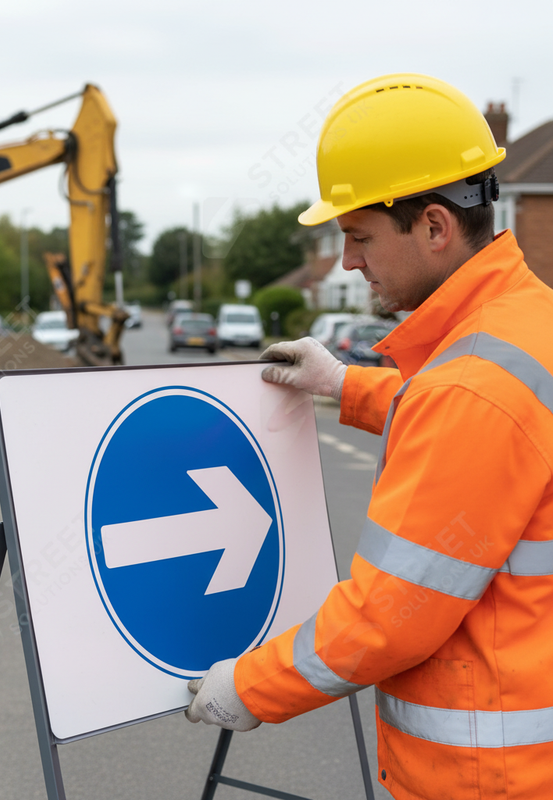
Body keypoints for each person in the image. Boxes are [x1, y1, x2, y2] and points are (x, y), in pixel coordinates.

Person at [185, 73, 553, 800]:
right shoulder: (526, 325)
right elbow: (488, 430)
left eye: (359, 237)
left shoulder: (468, 388)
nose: (349, 261)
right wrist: (346, 384)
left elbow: (390, 617)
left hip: (488, 779)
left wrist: (251, 687)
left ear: (436, 227)